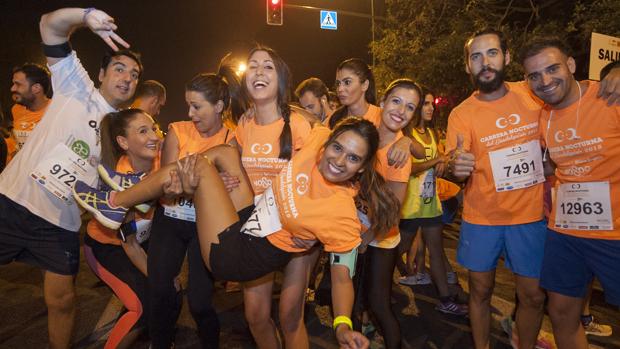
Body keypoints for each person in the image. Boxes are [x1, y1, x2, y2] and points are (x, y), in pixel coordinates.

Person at [74, 117, 400, 349]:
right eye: (338, 148)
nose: (339, 160)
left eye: (353, 158)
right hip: (250, 220)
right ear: (328, 141)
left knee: (200, 169)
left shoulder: (341, 214)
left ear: (362, 167)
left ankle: (117, 201)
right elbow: (305, 114)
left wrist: (343, 324)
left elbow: (343, 277)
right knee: (224, 153)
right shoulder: (315, 141)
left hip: (238, 257)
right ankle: (168, 186)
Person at [0, 7, 141, 349]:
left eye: (135, 74)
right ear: (102, 73)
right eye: (120, 69)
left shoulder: (123, 130)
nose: (127, 78)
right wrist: (86, 15)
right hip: (12, 201)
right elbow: (48, 25)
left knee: (62, 300)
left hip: (60, 225)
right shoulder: (76, 86)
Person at [521, 37, 620, 349]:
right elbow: (547, 165)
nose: (545, 81)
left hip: (615, 234)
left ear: (572, 66)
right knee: (562, 312)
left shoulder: (609, 95)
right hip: (564, 233)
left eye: (553, 68)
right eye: (534, 75)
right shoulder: (540, 116)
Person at [140, 67, 244, 349]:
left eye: (197, 106)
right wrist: (210, 182)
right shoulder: (177, 130)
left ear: (219, 106)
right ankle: (161, 342)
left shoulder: (230, 140)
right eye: (189, 105)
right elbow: (167, 183)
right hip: (169, 220)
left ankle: (210, 342)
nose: (190, 113)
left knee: (199, 301)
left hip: (204, 227)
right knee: (159, 289)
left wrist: (199, 184)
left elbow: (231, 190)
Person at [84, 109, 160, 349]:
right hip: (109, 248)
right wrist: (160, 278)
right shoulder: (120, 181)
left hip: (142, 242)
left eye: (154, 128)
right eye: (143, 131)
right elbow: (130, 245)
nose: (154, 136)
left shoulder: (160, 160)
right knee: (141, 307)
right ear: (123, 142)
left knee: (165, 297)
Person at [356, 78, 418, 348]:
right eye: (396, 101)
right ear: (381, 102)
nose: (401, 111)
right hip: (357, 232)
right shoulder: (367, 134)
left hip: (379, 238)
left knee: (379, 304)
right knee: (355, 301)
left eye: (410, 107)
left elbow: (392, 215)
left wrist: (366, 240)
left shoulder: (399, 156)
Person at [399, 88, 467, 315]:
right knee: (398, 249)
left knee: (436, 252)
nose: (430, 108)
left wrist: (446, 163)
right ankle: (373, 286)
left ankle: (446, 299)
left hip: (430, 202)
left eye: (431, 104)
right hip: (410, 204)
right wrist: (434, 161)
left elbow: (436, 167)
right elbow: (407, 169)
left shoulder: (433, 133)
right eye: (425, 104)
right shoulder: (405, 134)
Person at [8, 63, 52, 160]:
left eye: (18, 84)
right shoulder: (16, 109)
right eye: (13, 84)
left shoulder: (57, 111)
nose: (12, 88)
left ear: (36, 88)